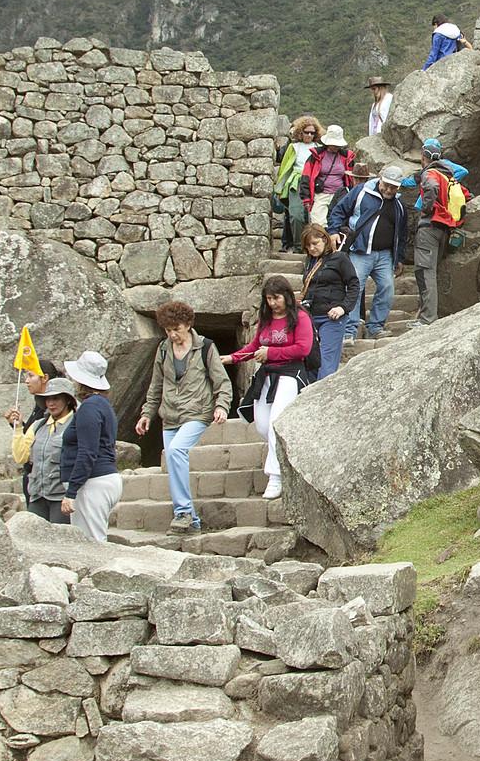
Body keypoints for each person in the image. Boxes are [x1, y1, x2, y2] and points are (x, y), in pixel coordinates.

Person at [135, 301, 231, 535]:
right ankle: (193, 525)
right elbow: (156, 384)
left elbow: (222, 382)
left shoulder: (206, 347)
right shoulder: (164, 349)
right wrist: (147, 413)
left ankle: (183, 512)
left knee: (176, 450)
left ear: (188, 325)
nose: (172, 334)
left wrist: (222, 406)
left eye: (176, 328)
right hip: (170, 415)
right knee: (172, 462)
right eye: (168, 330)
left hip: (197, 412)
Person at [227, 277, 316, 499]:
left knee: (276, 423)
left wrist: (271, 353)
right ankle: (288, 458)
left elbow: (303, 348)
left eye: (276, 298)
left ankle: (275, 477)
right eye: (268, 299)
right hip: (267, 374)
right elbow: (255, 346)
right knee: (263, 425)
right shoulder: (266, 319)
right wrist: (233, 358)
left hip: (290, 374)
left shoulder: (300, 317)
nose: (273, 303)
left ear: (286, 295)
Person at [328, 164, 410, 340]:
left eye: (393, 187)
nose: (388, 189)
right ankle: (350, 329)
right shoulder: (361, 192)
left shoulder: (399, 205)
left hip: (385, 255)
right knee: (355, 288)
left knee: (387, 288)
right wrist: (333, 231)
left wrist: (399, 258)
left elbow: (402, 233)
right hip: (360, 251)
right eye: (386, 185)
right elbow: (338, 210)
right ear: (380, 180)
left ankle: (375, 327)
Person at [59, 350, 122, 541]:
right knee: (92, 540)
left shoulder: (90, 407)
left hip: (92, 483)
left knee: (92, 543)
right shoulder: (102, 405)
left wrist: (71, 492)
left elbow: (87, 452)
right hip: (102, 479)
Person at [299, 227, 362, 381]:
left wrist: (343, 307)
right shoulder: (310, 261)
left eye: (314, 243)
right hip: (311, 317)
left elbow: (354, 285)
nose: (311, 248)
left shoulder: (340, 258)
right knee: (311, 360)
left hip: (332, 317)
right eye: (308, 246)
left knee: (327, 362)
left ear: (325, 239)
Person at [412, 153, 466, 327]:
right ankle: (427, 315)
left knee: (425, 272)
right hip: (446, 230)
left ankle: (427, 319)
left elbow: (432, 187)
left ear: (423, 158)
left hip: (429, 228)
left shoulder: (431, 174)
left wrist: (427, 209)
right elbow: (467, 196)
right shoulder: (450, 178)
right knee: (432, 272)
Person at [15, 378, 76, 524]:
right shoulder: (38, 425)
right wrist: (17, 429)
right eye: (48, 399)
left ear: (67, 400)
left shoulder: (76, 424)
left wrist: (72, 493)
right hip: (37, 495)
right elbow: (20, 457)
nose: (51, 403)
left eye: (56, 398)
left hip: (61, 497)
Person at [274, 115, 324, 253]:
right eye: (306, 132)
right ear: (300, 132)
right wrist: (279, 189)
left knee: (312, 216)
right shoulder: (293, 147)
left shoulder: (319, 148)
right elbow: (285, 168)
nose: (309, 135)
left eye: (312, 132)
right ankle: (298, 246)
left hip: (313, 183)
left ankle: (313, 245)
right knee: (295, 215)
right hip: (296, 183)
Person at [306, 125, 357, 228]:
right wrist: (306, 199)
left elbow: (352, 178)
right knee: (318, 224)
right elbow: (306, 176)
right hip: (321, 194)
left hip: (340, 195)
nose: (335, 146)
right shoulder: (316, 156)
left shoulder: (347, 157)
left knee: (337, 223)